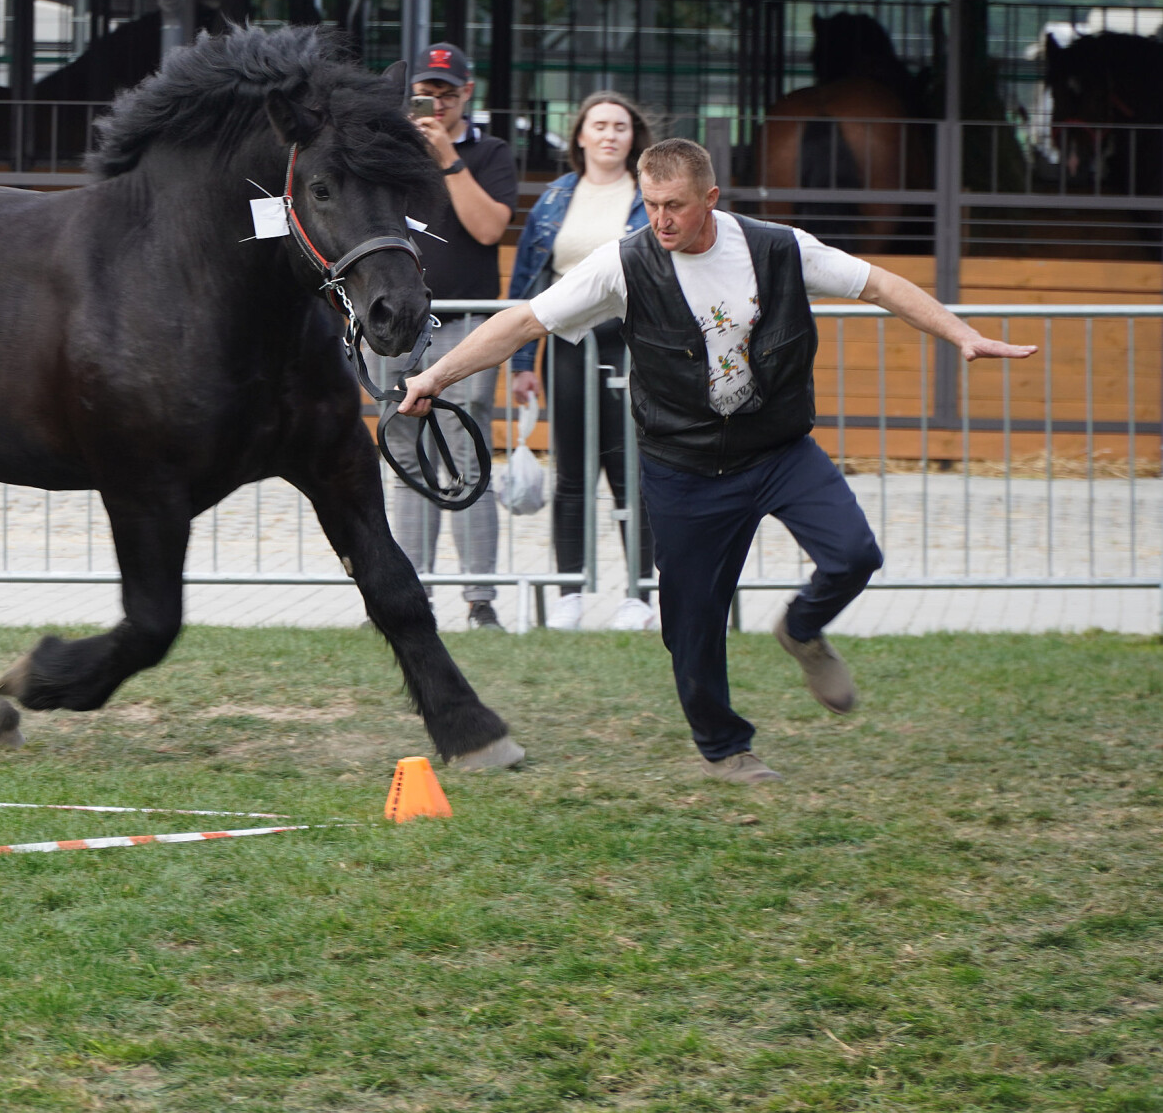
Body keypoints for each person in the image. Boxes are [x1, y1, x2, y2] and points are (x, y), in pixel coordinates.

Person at [397, 138, 1034, 783]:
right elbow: (522, 323)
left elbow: (880, 285)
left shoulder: (778, 248)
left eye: (675, 205)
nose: (661, 219)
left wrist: (962, 334)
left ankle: (802, 630)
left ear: (710, 199)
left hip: (777, 449)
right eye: (651, 204)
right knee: (691, 627)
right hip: (684, 465)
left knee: (854, 555)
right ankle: (726, 748)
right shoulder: (622, 264)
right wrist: (435, 378)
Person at [373, 43, 519, 630]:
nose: (436, 104)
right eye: (425, 94)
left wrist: (449, 158)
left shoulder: (491, 152)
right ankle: (411, 598)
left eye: (447, 94)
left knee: (467, 456)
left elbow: (489, 229)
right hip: (397, 328)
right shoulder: (391, 151)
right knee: (406, 460)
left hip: (465, 329)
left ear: (467, 93)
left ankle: (480, 600)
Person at [506, 91, 656, 632]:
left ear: (634, 138)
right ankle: (570, 592)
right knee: (571, 473)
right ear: (581, 136)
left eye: (620, 126)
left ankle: (639, 595)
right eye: (600, 125)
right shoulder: (553, 199)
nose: (610, 134)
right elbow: (527, 283)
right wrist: (522, 361)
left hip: (633, 347)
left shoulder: (650, 197)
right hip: (568, 348)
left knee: (631, 472)